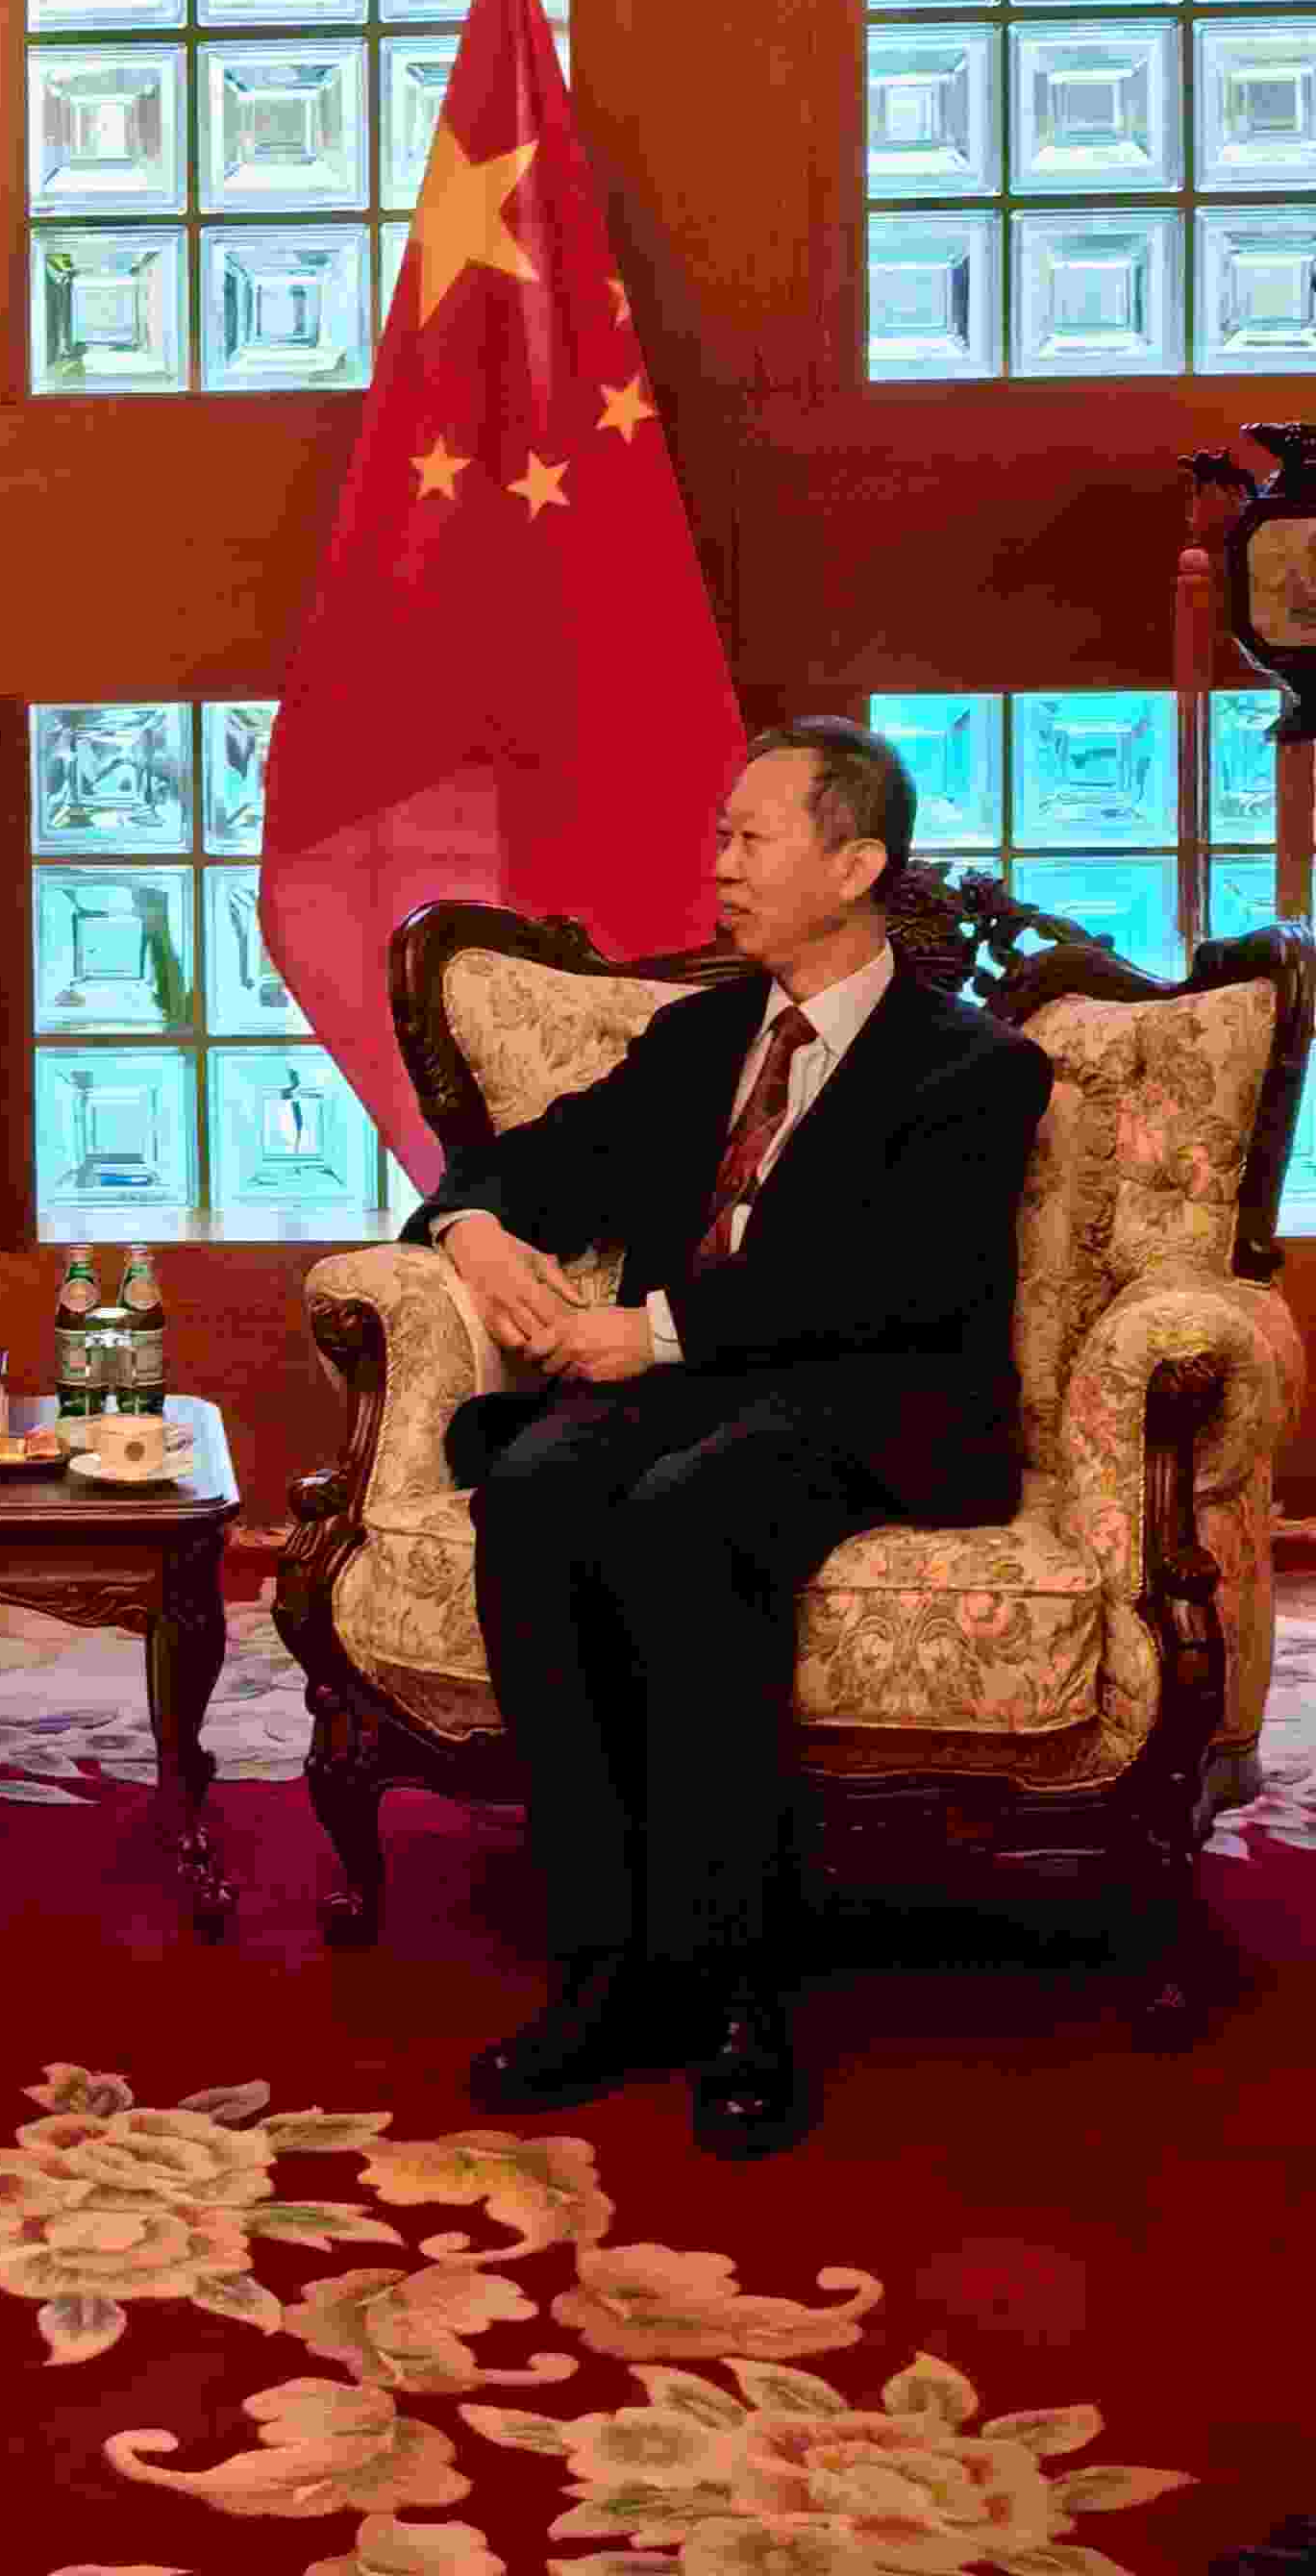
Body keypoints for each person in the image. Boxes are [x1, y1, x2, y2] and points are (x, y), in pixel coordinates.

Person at [411, 717, 1051, 2159]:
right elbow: (530, 1162)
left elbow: (896, 1287)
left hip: (877, 1398)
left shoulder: (973, 1067)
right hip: (698, 1391)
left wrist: (653, 1333)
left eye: (751, 838)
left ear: (856, 864)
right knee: (533, 1488)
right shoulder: (698, 1038)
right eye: (720, 837)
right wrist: (474, 1227)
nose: (722, 865)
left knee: (689, 1517)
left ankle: (737, 1995)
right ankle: (604, 1974)